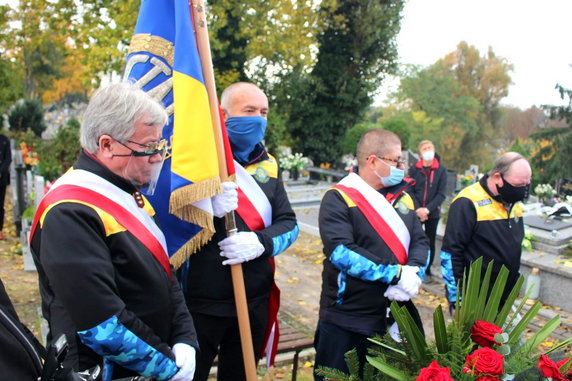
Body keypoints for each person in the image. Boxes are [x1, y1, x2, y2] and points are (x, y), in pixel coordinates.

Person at [29, 83, 198, 381]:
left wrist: (186, 339)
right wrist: (169, 367)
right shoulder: (68, 211)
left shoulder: (127, 192)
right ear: (107, 145)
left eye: (160, 146)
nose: (158, 158)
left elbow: (166, 276)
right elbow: (101, 325)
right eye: (148, 148)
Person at [181, 82, 299, 381]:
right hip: (203, 302)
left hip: (253, 299)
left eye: (264, 112)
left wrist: (261, 242)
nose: (258, 119)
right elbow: (167, 226)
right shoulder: (196, 160)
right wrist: (206, 208)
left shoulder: (269, 165)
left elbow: (289, 223)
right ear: (223, 115)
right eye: (249, 111)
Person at [315, 129, 429, 379]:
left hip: (392, 312)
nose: (401, 166)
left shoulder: (404, 199)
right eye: (395, 160)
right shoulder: (339, 198)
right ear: (372, 160)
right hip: (347, 315)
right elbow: (341, 252)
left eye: (401, 161)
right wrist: (396, 275)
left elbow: (420, 241)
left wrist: (415, 272)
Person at [440, 152, 531, 310]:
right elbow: (450, 253)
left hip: (503, 297)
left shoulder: (513, 203)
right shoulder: (467, 202)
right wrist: (457, 297)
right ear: (497, 177)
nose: (522, 191)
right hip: (474, 299)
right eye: (518, 185)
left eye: (526, 185)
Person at [408, 140, 448, 282]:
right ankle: (412, 266)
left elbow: (442, 193)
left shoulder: (441, 170)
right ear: (420, 153)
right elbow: (410, 189)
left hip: (433, 212)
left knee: (430, 241)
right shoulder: (414, 170)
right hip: (416, 211)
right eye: (424, 148)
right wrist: (418, 209)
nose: (428, 150)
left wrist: (427, 210)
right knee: (413, 239)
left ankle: (428, 270)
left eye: (430, 147)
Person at [0, 132, 11, 240]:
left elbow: (8, 159)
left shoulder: (4, 140)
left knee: (0, 204)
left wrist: (1, 171)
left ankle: (0, 229)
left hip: (1, 179)